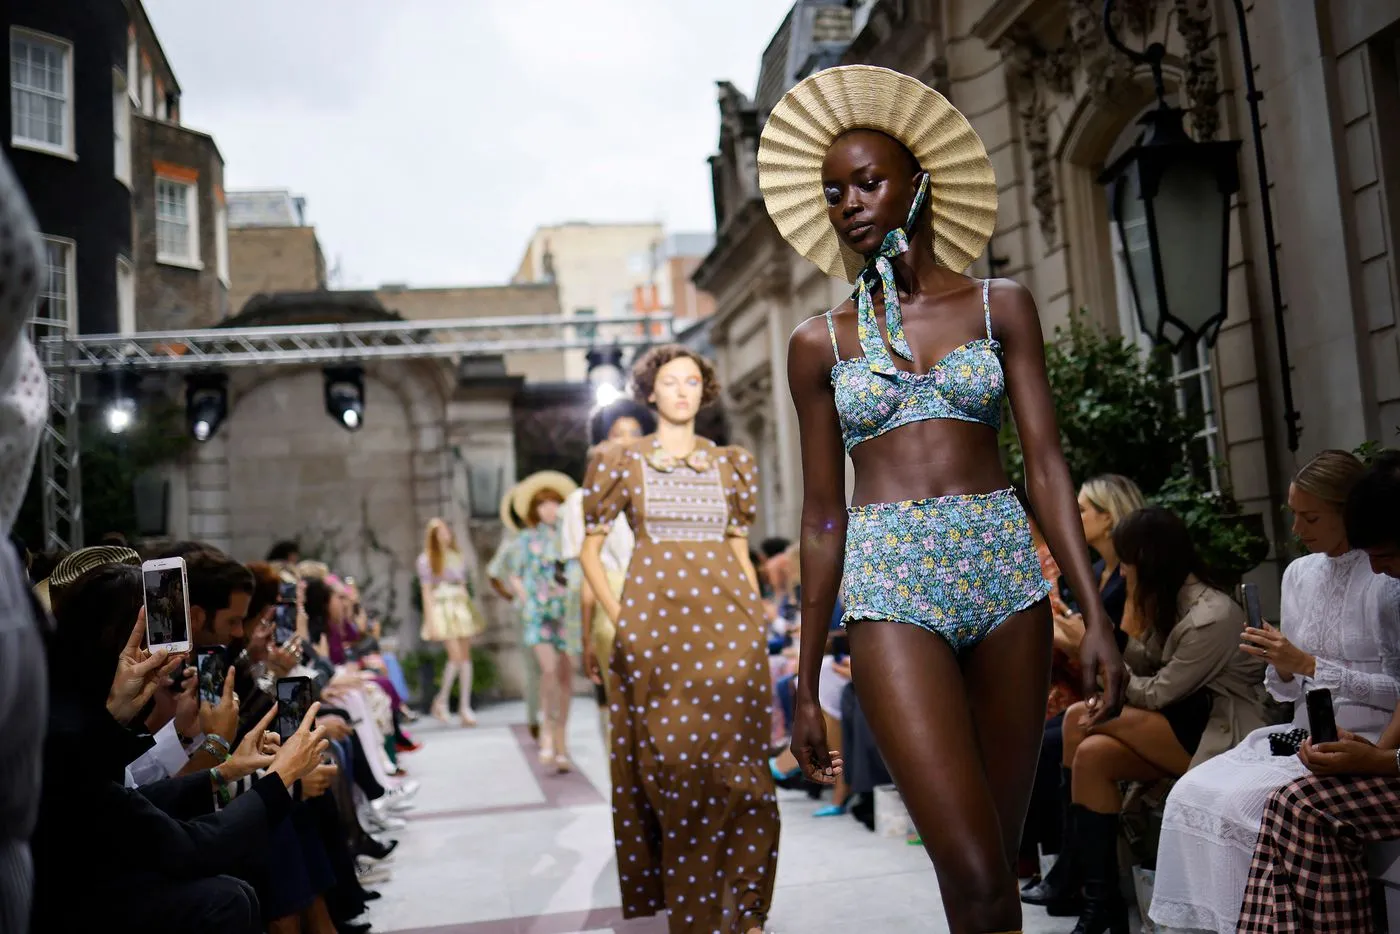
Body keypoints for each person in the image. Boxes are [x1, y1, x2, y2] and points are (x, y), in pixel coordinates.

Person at [760, 64, 1126, 933]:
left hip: (1005, 573)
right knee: (967, 866)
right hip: (890, 588)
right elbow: (821, 515)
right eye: (833, 191)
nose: (849, 202)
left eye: (868, 181)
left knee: (994, 869)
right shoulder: (818, 343)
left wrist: (1092, 611)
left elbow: (1044, 463)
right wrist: (806, 680)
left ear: (918, 186)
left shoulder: (1003, 306)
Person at [1149, 450, 1400, 932]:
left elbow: (1396, 690)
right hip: (1303, 736)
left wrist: (1310, 664)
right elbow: (1285, 694)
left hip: (1363, 735)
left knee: (1253, 805)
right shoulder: (1299, 574)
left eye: (1310, 516)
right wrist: (1281, 662)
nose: (1297, 528)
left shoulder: (1385, 579)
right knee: (1193, 789)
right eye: (1293, 514)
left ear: (1348, 512)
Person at [579, 344, 776, 933]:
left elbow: (739, 545)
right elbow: (589, 550)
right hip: (658, 635)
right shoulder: (621, 462)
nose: (683, 391)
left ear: (705, 391)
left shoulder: (731, 463)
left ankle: (749, 911)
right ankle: (693, 915)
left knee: (746, 776)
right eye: (671, 382)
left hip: (732, 630)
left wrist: (758, 613)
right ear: (650, 392)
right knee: (676, 773)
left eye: (693, 381)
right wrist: (625, 617)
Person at [1055, 507, 1267, 932]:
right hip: (1182, 721)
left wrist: (1106, 648)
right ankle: (1101, 903)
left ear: (1145, 561)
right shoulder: (1169, 597)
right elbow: (1147, 667)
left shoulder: (1210, 614)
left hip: (1221, 732)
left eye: (1128, 563)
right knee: (1093, 754)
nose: (1123, 571)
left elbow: (1155, 692)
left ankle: (1071, 874)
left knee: (1081, 717)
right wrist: (1127, 626)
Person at [1234, 449, 1400, 933]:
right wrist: (1369, 758)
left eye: (1386, 557)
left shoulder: (1386, 590)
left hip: (1370, 747)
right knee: (1286, 807)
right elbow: (1286, 693)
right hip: (1348, 744)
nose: (1383, 569)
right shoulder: (1301, 574)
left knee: (1295, 805)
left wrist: (1380, 762)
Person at [560, 399, 654, 746]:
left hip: (662, 602)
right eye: (618, 434)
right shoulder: (579, 502)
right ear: (600, 443)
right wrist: (585, 637)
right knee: (626, 712)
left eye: (635, 432)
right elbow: (587, 570)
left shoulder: (660, 486)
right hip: (612, 606)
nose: (627, 440)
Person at [508, 471, 579, 771]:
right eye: (543, 504)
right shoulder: (526, 539)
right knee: (548, 671)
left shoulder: (569, 537)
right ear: (534, 510)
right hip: (538, 614)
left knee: (566, 677)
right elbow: (513, 572)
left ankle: (562, 739)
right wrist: (525, 597)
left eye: (554, 503)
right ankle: (546, 730)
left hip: (565, 611)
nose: (549, 509)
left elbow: (578, 569)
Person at [417, 517, 484, 726]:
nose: (445, 535)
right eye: (440, 532)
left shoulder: (457, 556)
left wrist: (470, 610)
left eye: (446, 531)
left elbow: (463, 585)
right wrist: (430, 621)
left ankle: (464, 706)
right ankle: (443, 699)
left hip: (459, 606)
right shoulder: (426, 560)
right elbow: (426, 592)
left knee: (464, 656)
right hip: (442, 607)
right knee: (455, 656)